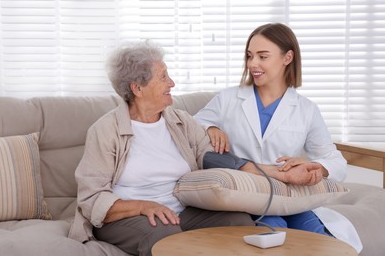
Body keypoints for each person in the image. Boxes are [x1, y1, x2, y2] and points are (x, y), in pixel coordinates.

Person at [67, 41, 255, 256]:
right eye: (163, 77)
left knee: (238, 221)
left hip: (181, 212)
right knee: (163, 233)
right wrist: (142, 206)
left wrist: (245, 166)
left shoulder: (180, 121)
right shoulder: (105, 130)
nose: (172, 83)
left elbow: (206, 153)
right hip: (126, 218)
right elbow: (92, 197)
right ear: (137, 88)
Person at [194, 23, 361, 251]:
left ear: (287, 57)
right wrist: (211, 127)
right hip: (250, 197)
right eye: (250, 56)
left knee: (320, 240)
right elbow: (190, 126)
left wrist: (315, 167)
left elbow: (334, 159)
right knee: (275, 235)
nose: (253, 64)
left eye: (263, 56)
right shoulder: (228, 99)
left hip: (292, 199)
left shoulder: (306, 109)